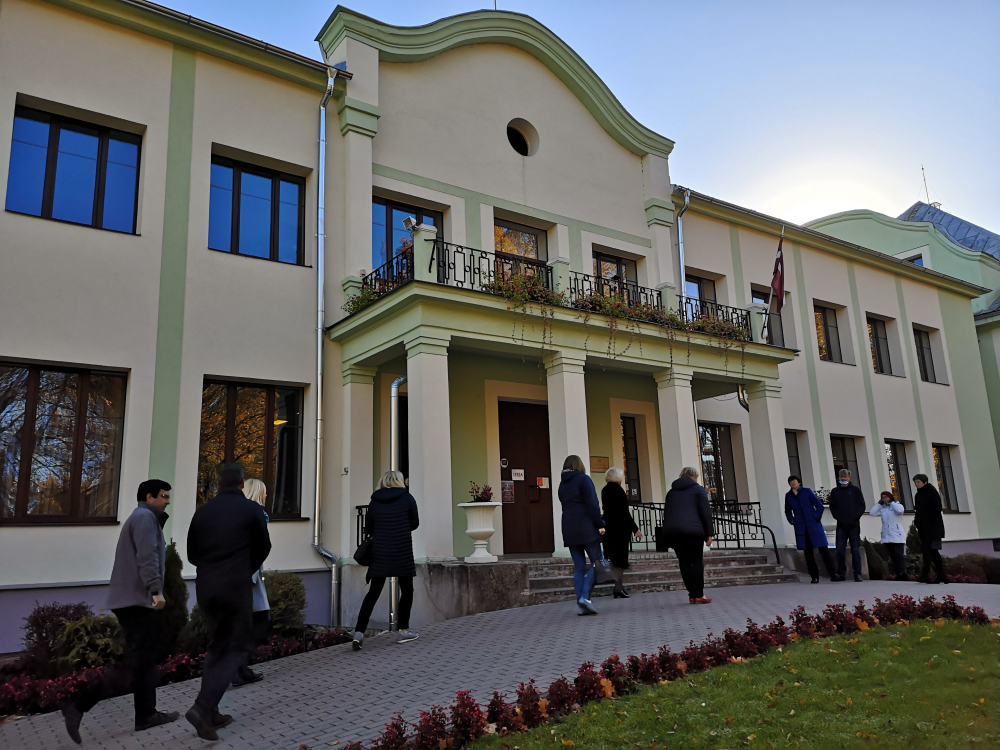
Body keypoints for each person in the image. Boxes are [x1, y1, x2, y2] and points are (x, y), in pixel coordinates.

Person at [60, 480, 179, 744]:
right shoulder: (144, 518)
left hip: (132, 599)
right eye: (163, 496)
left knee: (144, 660)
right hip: (136, 600)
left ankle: (146, 715)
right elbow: (147, 556)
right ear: (149, 497)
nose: (167, 501)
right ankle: (78, 703)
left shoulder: (144, 518)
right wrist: (156, 590)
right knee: (136, 661)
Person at [185, 464, 271, 741]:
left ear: (218, 483)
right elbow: (264, 546)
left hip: (206, 587)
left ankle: (211, 713)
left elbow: (192, 553)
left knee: (217, 646)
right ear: (242, 483)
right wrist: (245, 568)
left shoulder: (202, 512)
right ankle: (202, 707)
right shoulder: (250, 510)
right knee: (235, 647)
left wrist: (211, 569)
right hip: (235, 586)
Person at [352, 470, 420, 650]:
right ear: (399, 481)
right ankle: (403, 631)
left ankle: (358, 633)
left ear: (383, 482)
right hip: (402, 551)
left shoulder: (374, 501)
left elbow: (368, 528)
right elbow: (414, 523)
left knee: (373, 593)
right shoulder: (407, 498)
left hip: (380, 553)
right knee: (407, 590)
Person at [232, 478, 270, 687]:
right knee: (254, 621)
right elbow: (258, 545)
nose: (267, 495)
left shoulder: (238, 513)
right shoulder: (256, 514)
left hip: (244, 574)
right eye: (264, 492)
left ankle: (240, 668)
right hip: (249, 575)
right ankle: (238, 668)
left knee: (248, 622)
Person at [557, 455, 605, 616]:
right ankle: (584, 597)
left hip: (569, 527)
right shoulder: (584, 480)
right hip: (586, 527)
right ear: (579, 465)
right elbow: (593, 504)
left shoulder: (562, 484)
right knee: (597, 562)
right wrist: (600, 523)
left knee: (579, 567)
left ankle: (581, 605)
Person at [662, 467, 714, 604]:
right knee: (696, 562)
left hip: (675, 533)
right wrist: (709, 533)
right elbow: (705, 512)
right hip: (694, 532)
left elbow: (667, 514)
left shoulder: (671, 493)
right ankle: (699, 595)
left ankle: (692, 594)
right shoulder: (698, 490)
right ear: (693, 476)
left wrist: (667, 535)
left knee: (684, 562)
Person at [784, 475, 835, 583]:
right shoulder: (789, 496)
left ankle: (833, 574)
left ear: (799, 482)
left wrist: (815, 517)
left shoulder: (807, 492)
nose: (793, 483)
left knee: (824, 550)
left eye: (794, 481)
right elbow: (787, 511)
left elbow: (819, 506)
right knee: (808, 553)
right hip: (801, 527)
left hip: (814, 525)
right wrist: (792, 520)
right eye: (791, 482)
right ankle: (814, 576)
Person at [600, 467, 642, 598]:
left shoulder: (604, 490)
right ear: (618, 478)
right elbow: (624, 513)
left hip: (608, 528)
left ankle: (618, 587)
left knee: (613, 558)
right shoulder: (619, 491)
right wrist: (635, 529)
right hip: (620, 530)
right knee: (620, 560)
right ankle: (618, 588)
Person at [827, 468, 865, 582]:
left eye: (845, 477)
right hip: (841, 525)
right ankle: (841, 573)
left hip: (854, 525)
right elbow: (832, 507)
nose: (843, 479)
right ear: (839, 478)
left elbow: (861, 506)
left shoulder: (855, 490)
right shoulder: (835, 492)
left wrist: (855, 518)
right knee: (839, 550)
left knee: (855, 550)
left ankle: (857, 574)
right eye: (841, 477)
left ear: (849, 478)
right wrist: (838, 517)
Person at [913, 474, 948, 584]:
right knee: (929, 552)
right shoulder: (918, 494)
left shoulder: (932, 493)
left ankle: (931, 575)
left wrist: (928, 524)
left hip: (933, 528)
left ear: (925, 482)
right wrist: (917, 522)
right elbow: (918, 511)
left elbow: (936, 510)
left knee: (931, 551)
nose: (916, 484)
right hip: (924, 528)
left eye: (918, 482)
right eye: (915, 482)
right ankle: (938, 575)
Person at [870, 491, 907, 580]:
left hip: (897, 535)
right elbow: (872, 513)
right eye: (883, 497)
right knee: (893, 556)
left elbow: (900, 510)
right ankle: (898, 574)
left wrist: (892, 503)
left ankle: (903, 573)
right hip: (887, 536)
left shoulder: (897, 506)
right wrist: (879, 504)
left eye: (886, 497)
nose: (885, 499)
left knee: (899, 555)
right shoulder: (883, 508)